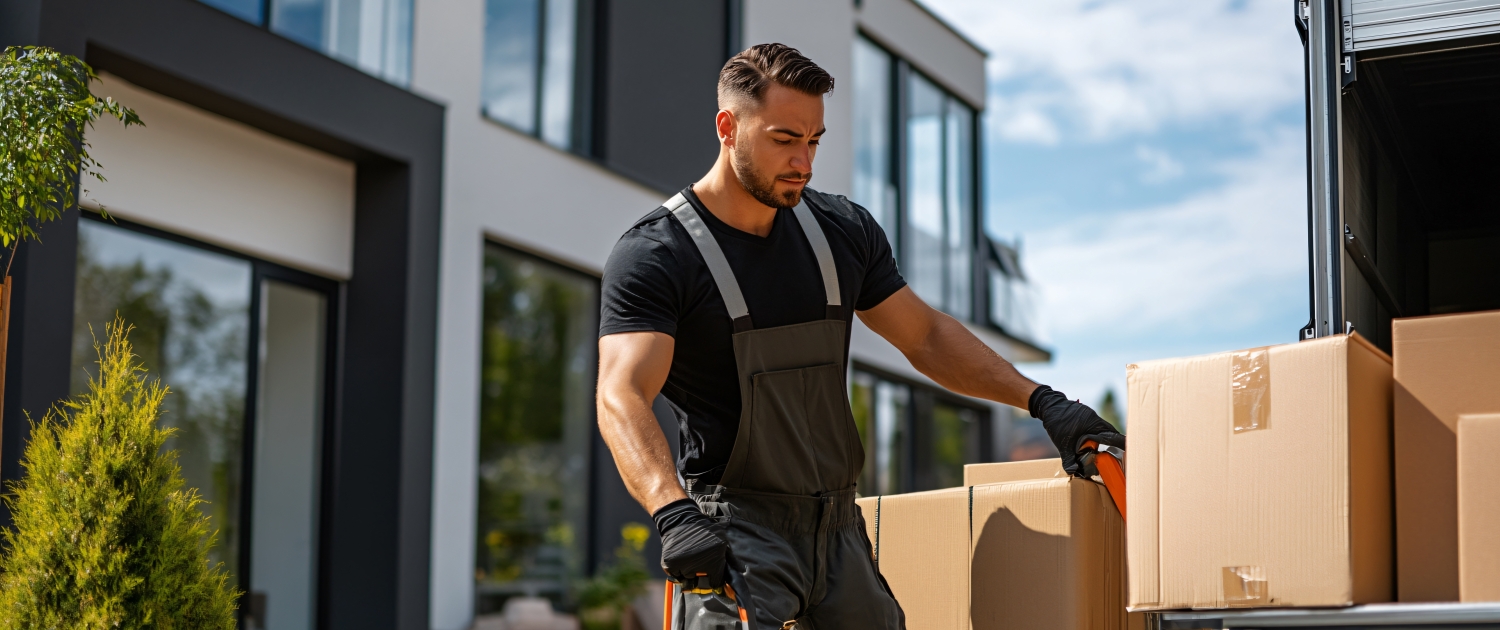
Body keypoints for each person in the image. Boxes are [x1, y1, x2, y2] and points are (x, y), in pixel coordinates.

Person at [596, 43, 1123, 630]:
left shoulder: (841, 231)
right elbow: (621, 394)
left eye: (814, 140)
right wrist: (672, 512)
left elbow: (924, 337)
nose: (803, 161)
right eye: (783, 139)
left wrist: (1041, 402)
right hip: (735, 535)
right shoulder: (658, 254)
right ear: (728, 126)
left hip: (839, 530)